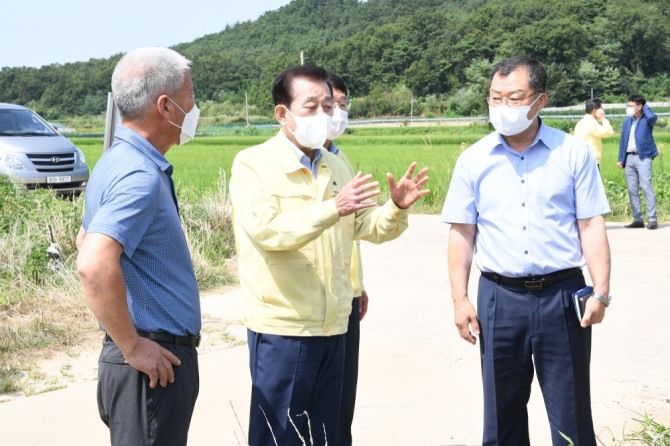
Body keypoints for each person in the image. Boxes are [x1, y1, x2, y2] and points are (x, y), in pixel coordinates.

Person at [229, 64, 429, 446]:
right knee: (279, 436)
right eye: (311, 107)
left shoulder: (336, 163)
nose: (323, 115)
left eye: (328, 106)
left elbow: (365, 226)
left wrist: (396, 207)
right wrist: (333, 208)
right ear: (282, 114)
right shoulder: (253, 165)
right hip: (284, 327)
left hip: (335, 325)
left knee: (327, 434)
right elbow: (269, 233)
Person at [441, 56, 612, 446]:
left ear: (540, 100)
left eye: (514, 98)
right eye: (495, 98)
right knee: (501, 414)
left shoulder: (572, 153)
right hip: (499, 298)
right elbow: (462, 233)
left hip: (562, 295)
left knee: (571, 411)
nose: (503, 108)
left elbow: (591, 225)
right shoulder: (473, 160)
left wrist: (600, 291)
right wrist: (460, 299)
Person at [76, 47, 202, 446]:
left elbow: (83, 239)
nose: (195, 107)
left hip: (142, 362)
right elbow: (93, 262)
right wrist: (132, 345)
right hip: (150, 365)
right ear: (166, 106)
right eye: (191, 97)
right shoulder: (138, 174)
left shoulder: (115, 160)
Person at [324, 72, 367, 446]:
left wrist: (360, 285)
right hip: (305, 305)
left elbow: (353, 231)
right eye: (327, 105)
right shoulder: (261, 164)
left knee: (341, 401)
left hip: (346, 296)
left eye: (341, 105)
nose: (336, 113)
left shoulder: (342, 161)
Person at [617, 94, 659, 229]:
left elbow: (653, 117)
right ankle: (638, 219)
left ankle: (652, 219)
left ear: (639, 107)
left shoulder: (647, 119)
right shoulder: (627, 122)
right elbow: (623, 140)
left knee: (646, 186)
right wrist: (620, 159)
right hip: (629, 158)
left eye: (631, 106)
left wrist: (645, 106)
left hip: (644, 157)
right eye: (627, 105)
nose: (628, 108)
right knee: (632, 189)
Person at [573, 97, 614, 168]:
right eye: (601, 109)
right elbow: (609, 132)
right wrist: (603, 118)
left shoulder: (581, 122)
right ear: (594, 111)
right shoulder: (591, 123)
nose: (603, 110)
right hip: (591, 160)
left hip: (582, 159)